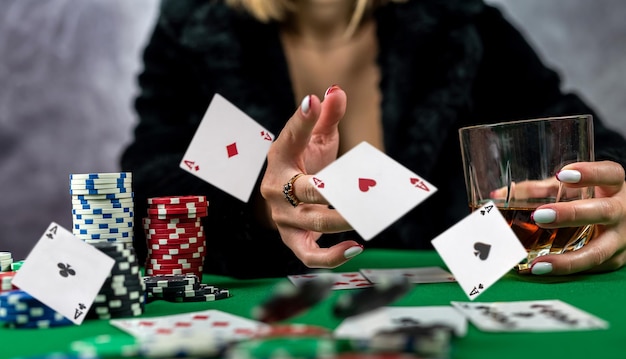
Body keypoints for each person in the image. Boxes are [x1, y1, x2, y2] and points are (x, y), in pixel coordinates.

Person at [121, 0, 626, 279]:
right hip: (275, 338)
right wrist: (256, 205)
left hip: (464, 336)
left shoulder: (463, 25)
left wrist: (612, 191)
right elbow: (150, 192)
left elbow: (589, 144)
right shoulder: (191, 32)